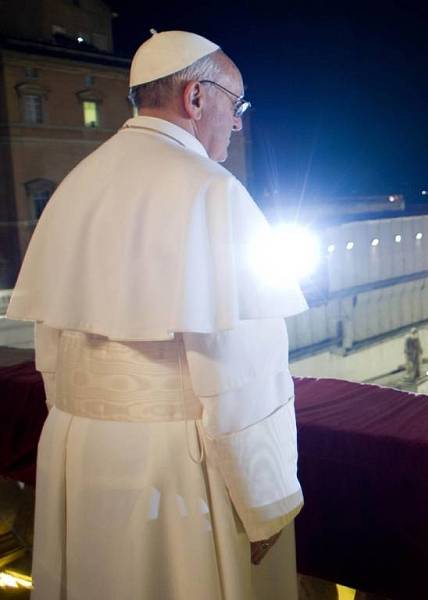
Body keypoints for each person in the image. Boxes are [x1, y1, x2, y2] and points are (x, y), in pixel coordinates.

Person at [7, 30, 308, 599]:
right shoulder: (213, 191)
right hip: (175, 472)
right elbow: (245, 375)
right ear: (196, 98)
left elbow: (51, 354)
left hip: (78, 453)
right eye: (235, 104)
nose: (238, 122)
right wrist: (264, 499)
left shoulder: (75, 183)